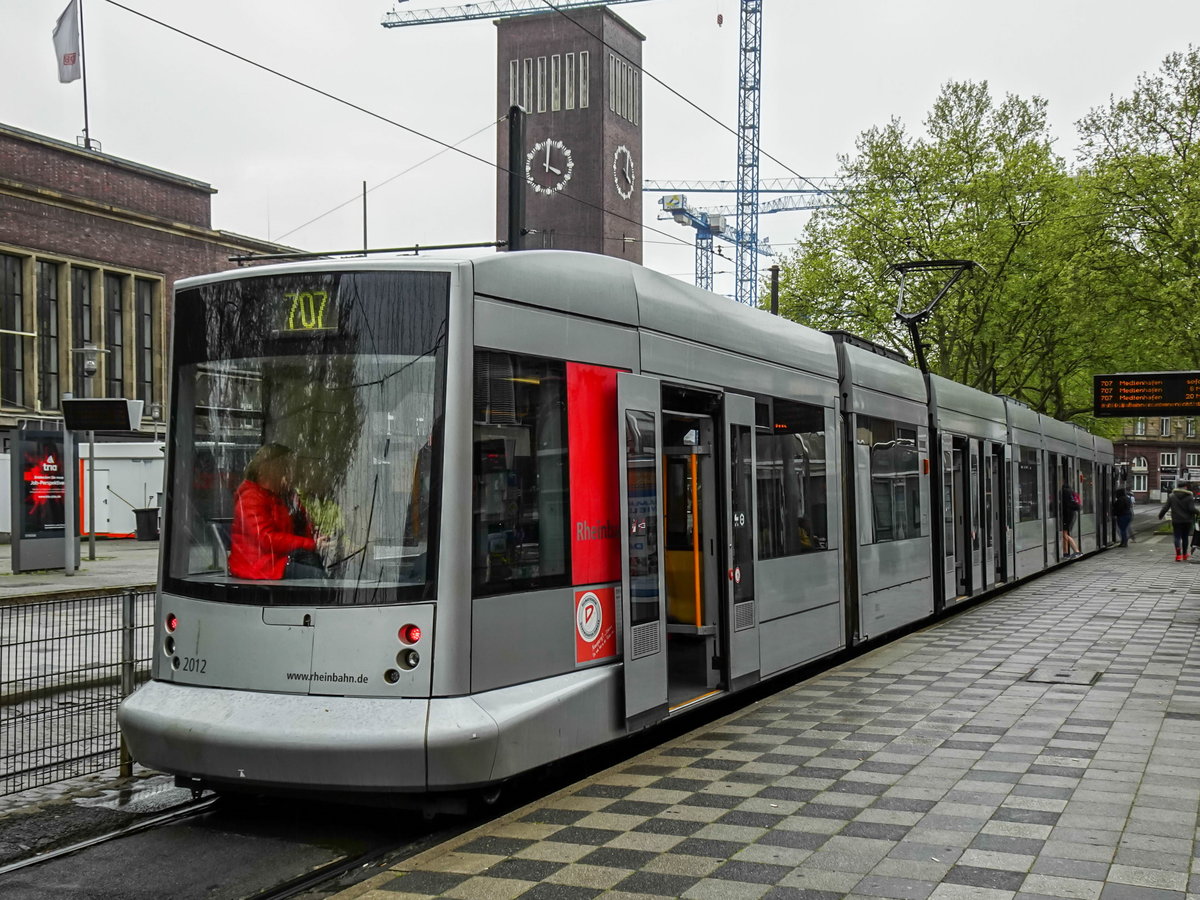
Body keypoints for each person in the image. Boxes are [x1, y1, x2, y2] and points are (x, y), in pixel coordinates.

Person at [228, 443, 332, 580]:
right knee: (317, 578)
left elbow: (302, 524)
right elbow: (267, 538)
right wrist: (311, 544)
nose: (289, 473)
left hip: (279, 559)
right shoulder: (250, 498)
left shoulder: (281, 495)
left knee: (318, 563)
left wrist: (318, 538)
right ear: (269, 470)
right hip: (258, 565)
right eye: (285, 468)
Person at [1159, 481, 1198, 562]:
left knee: (1177, 537)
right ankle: (1184, 555)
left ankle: (1178, 555)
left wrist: (1160, 515)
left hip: (1176, 520)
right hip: (1187, 520)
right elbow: (1191, 509)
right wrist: (1198, 512)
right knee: (1185, 537)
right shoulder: (1189, 496)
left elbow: (1165, 507)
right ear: (1185, 487)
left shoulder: (1171, 496)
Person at [1060, 480, 1082, 559]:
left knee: (1064, 534)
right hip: (1071, 514)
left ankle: (1077, 551)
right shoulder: (1071, 492)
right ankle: (1065, 553)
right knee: (1065, 533)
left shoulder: (1064, 492)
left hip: (1067, 515)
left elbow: (1064, 504)